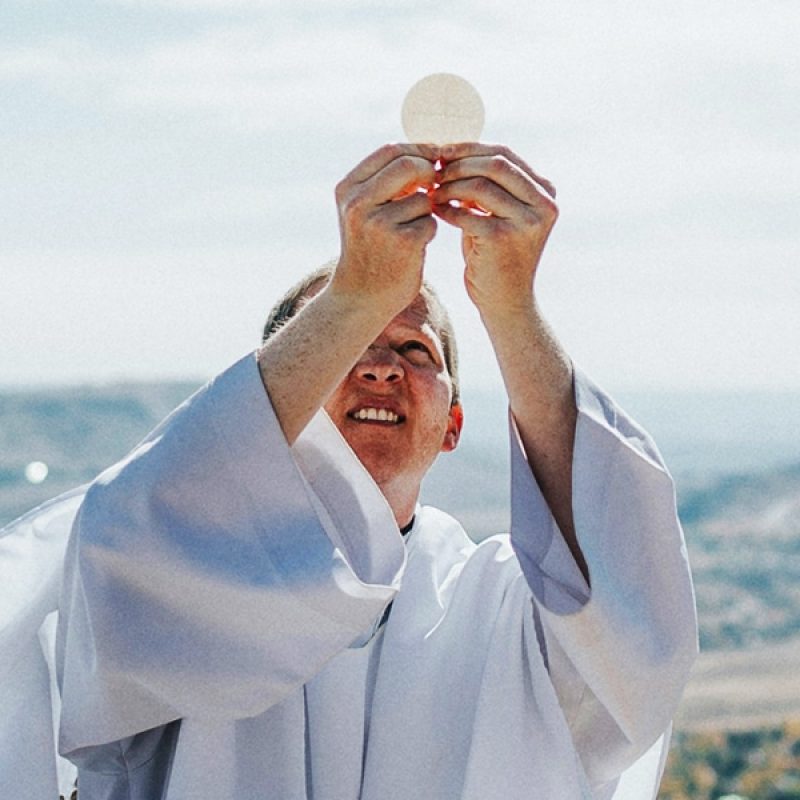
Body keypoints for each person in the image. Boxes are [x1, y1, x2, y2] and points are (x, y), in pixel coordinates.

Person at [1, 143, 697, 800]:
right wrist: (353, 290)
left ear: (452, 426)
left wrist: (511, 307)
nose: (379, 366)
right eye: (346, 340)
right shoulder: (179, 575)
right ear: (280, 404)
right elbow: (126, 544)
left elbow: (630, 630)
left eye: (414, 349)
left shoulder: (494, 609)